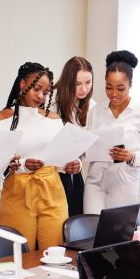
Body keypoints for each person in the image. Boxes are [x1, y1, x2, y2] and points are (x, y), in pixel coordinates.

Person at [0, 62, 81, 252]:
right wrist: (23, 165)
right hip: (18, 192)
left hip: (52, 190)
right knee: (19, 254)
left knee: (55, 254)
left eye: (46, 93)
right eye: (37, 89)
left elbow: (63, 157)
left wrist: (74, 164)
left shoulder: (54, 120)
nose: (40, 96)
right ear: (22, 84)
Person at [84, 50, 140, 213]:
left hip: (124, 182)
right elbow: (87, 143)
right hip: (95, 181)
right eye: (109, 87)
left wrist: (132, 156)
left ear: (130, 85)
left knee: (116, 233)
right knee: (90, 231)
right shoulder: (96, 111)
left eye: (120, 88)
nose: (114, 94)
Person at [52, 56, 96, 216]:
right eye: (77, 84)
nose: (84, 89)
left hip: (73, 173)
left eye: (88, 82)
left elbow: (86, 145)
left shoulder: (92, 106)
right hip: (49, 173)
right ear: (67, 82)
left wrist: (78, 161)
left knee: (76, 217)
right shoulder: (51, 102)